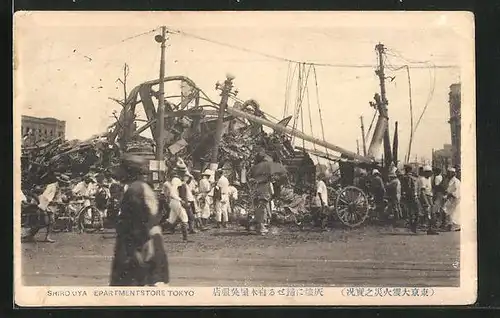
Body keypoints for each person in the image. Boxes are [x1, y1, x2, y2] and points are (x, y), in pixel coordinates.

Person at [110, 154, 169, 286]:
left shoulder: (134, 190)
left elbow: (136, 223)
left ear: (129, 172)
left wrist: (135, 250)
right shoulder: (144, 187)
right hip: (151, 239)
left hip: (139, 243)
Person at [23, 173, 70, 243]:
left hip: (50, 206)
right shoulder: (51, 186)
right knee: (43, 222)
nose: (64, 184)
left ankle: (45, 237)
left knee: (50, 222)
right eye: (63, 183)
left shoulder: (59, 188)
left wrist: (60, 202)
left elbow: (58, 198)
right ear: (60, 181)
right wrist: (53, 202)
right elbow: (46, 197)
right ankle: (29, 235)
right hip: (43, 204)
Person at [163, 159, 190, 241]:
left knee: (171, 221)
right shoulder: (176, 180)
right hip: (176, 201)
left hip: (174, 202)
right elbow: (172, 193)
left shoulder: (177, 180)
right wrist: (180, 200)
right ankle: (185, 239)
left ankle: (153, 231)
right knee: (184, 218)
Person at [417, 165, 439, 235]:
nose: (430, 174)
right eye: (429, 172)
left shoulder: (428, 179)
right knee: (428, 213)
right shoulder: (422, 179)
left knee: (432, 213)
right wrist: (426, 202)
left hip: (429, 196)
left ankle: (430, 228)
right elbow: (422, 191)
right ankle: (429, 229)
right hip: (425, 196)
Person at [401, 164, 419, 233]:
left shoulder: (406, 177)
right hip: (413, 195)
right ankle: (413, 225)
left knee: (411, 211)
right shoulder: (412, 177)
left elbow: (407, 187)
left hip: (410, 195)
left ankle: (413, 225)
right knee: (415, 211)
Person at [443, 167, 461, 231]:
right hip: (450, 198)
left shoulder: (456, 181)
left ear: (453, 174)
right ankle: (450, 225)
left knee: (453, 212)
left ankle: (454, 226)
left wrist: (450, 194)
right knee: (448, 211)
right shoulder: (449, 180)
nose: (448, 174)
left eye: (449, 173)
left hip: (455, 198)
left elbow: (457, 191)